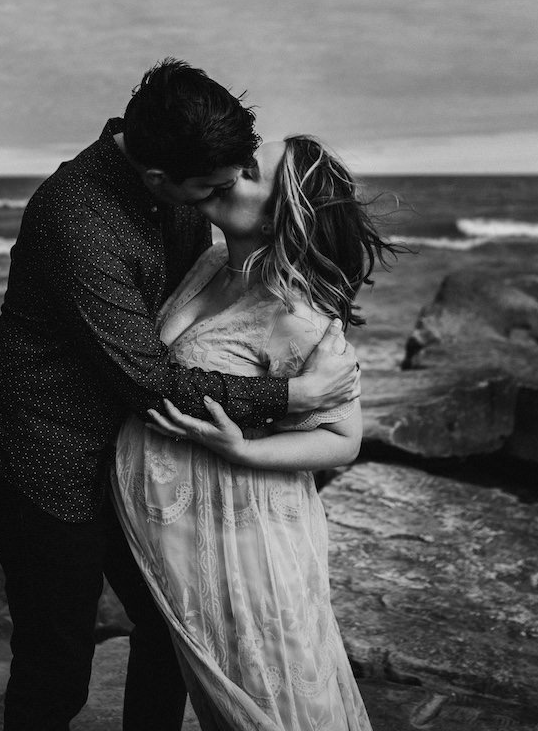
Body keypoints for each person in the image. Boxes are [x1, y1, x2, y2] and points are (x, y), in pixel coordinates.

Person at [0, 60, 359, 731]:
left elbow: (208, 323)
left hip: (125, 466)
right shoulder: (79, 218)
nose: (231, 185)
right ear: (158, 177)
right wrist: (288, 395)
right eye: (218, 181)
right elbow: (146, 375)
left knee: (167, 630)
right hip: (46, 463)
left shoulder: (186, 194)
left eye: (244, 173)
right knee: (55, 664)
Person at [113, 134, 395, 731]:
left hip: (246, 534)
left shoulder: (296, 314)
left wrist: (244, 447)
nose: (231, 174)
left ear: (279, 217)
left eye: (250, 173)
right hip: (185, 533)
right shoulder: (214, 261)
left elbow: (343, 439)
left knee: (269, 691)